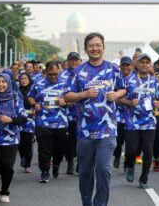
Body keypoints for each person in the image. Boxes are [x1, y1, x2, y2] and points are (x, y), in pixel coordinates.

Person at [64, 32, 126, 206]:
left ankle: (100, 204)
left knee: (103, 169)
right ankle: (86, 203)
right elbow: (67, 96)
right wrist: (84, 94)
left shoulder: (113, 69)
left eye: (98, 45)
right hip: (84, 131)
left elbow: (123, 88)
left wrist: (116, 94)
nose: (95, 48)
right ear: (85, 49)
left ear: (103, 48)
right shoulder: (78, 71)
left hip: (107, 129)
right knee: (85, 172)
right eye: (91, 45)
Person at [119, 53, 159, 188]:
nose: (144, 64)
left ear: (150, 65)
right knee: (132, 150)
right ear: (137, 65)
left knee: (148, 151)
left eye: (147, 62)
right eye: (142, 62)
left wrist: (158, 103)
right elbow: (118, 99)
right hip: (132, 121)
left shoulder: (155, 81)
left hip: (149, 121)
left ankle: (144, 179)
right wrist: (130, 102)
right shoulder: (128, 80)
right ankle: (130, 166)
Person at [0, 73, 27, 203]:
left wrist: (11, 119)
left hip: (11, 137)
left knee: (7, 166)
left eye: (4, 82)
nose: (1, 84)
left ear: (9, 83)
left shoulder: (15, 97)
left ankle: (5, 192)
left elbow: (23, 118)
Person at [30, 61, 68, 183]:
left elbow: (73, 99)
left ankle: (56, 164)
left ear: (59, 72)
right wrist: (35, 104)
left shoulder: (65, 84)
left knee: (60, 148)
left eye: (55, 74)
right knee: (44, 148)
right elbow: (30, 97)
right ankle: (44, 171)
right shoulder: (38, 83)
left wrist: (66, 102)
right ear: (45, 72)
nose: (53, 76)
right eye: (50, 74)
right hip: (43, 122)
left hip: (60, 122)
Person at [60, 52, 82, 175]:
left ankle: (80, 163)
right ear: (67, 62)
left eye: (76, 60)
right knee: (69, 140)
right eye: (71, 60)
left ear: (80, 61)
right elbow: (58, 92)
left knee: (81, 140)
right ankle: (70, 163)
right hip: (66, 115)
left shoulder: (85, 74)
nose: (73, 62)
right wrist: (65, 101)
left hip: (82, 114)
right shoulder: (62, 76)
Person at [113, 56, 132, 171]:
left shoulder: (136, 78)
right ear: (120, 66)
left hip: (132, 115)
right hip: (119, 114)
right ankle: (117, 154)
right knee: (119, 140)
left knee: (130, 142)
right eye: (123, 65)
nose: (126, 67)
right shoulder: (116, 78)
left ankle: (127, 164)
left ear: (131, 66)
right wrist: (118, 100)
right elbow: (112, 94)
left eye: (128, 65)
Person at [18, 73, 35, 173]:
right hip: (19, 119)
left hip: (30, 119)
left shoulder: (33, 90)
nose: (23, 80)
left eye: (25, 78)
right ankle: (23, 157)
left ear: (29, 80)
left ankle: (28, 164)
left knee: (28, 141)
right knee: (20, 142)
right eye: (22, 79)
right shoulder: (16, 91)